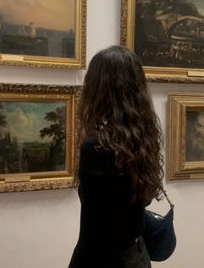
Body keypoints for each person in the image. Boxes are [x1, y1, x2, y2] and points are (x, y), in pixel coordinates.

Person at [68, 45, 164, 268]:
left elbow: (98, 223)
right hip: (136, 255)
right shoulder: (143, 137)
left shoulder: (96, 146)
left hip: (101, 258)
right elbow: (143, 198)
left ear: (97, 87)